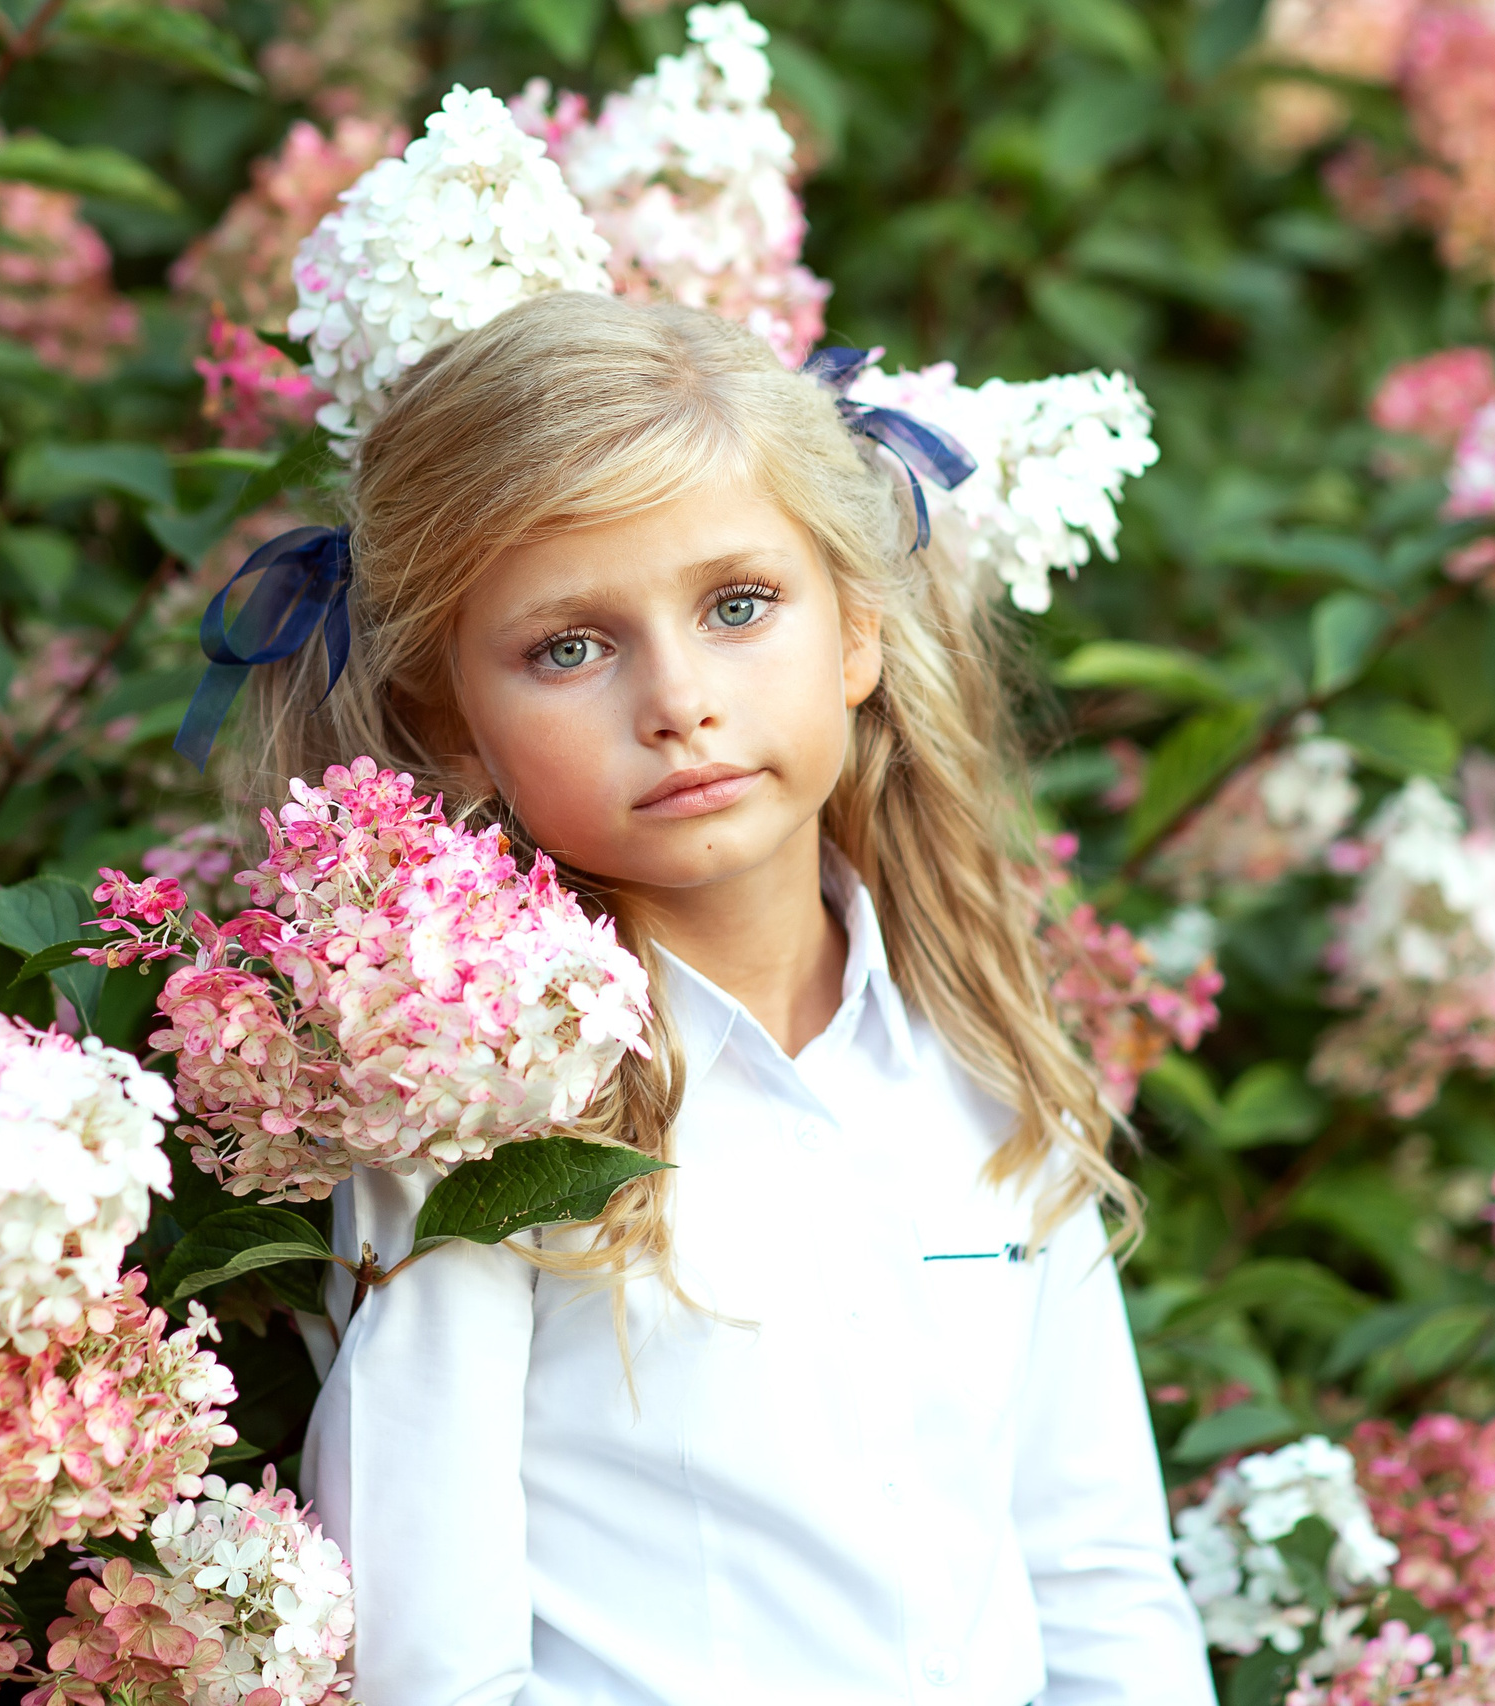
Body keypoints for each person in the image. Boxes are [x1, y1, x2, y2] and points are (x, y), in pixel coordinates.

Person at [216, 292, 1213, 1703]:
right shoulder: (493, 1114)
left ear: (857, 632)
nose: (677, 698)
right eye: (570, 646)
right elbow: (433, 1666)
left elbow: (1098, 1576)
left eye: (739, 605)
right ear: (454, 724)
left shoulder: (978, 1050)